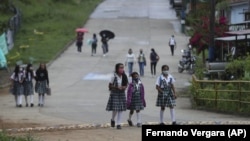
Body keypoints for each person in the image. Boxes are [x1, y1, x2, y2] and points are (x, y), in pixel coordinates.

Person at [106, 63, 128, 129]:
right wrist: (117, 87)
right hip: (115, 93)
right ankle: (112, 119)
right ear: (117, 68)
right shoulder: (113, 76)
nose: (122, 69)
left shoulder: (124, 76)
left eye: (122, 68)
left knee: (120, 109)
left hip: (121, 93)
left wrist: (124, 87)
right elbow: (109, 85)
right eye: (120, 68)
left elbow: (126, 84)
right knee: (115, 108)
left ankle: (119, 124)